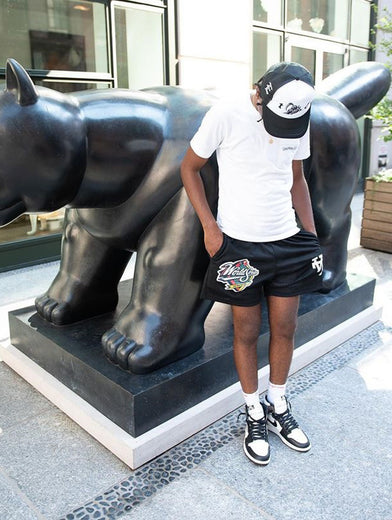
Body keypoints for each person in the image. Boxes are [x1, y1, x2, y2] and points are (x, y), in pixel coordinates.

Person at [180, 62, 323, 466]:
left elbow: (297, 177)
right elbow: (189, 168)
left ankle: (277, 404)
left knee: (286, 327)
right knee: (245, 331)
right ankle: (253, 411)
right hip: (239, 246)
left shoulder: (298, 114)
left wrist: (310, 234)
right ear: (258, 92)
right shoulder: (226, 114)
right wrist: (210, 228)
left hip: (288, 240)